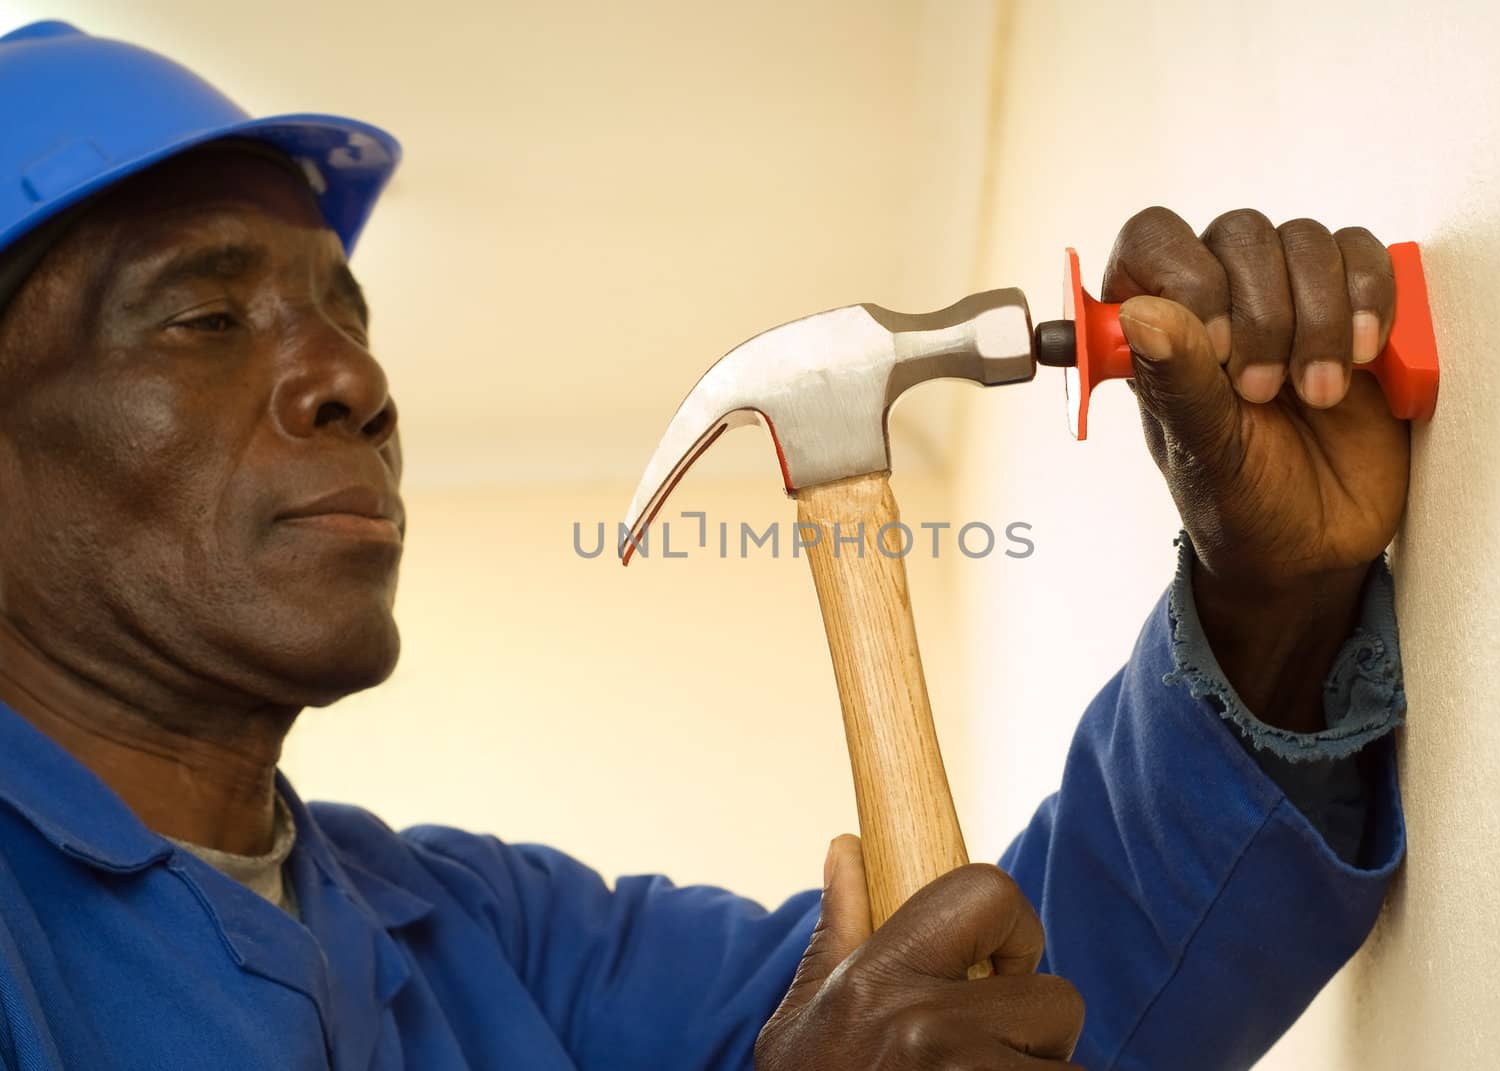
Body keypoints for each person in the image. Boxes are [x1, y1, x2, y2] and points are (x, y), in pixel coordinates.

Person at [0, 20, 1408, 1071]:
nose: (354, 383)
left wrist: (1271, 605)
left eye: (348, 318)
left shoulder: (488, 935)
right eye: (203, 318)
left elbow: (1026, 1007)